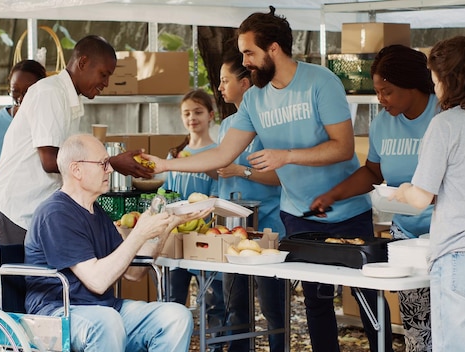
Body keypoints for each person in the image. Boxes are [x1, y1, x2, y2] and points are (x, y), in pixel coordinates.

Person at [143, 7, 393, 352]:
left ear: (273, 49)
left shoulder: (321, 82)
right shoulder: (256, 99)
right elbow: (221, 154)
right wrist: (166, 165)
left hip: (347, 209)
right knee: (316, 303)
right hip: (298, 215)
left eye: (249, 52)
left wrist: (286, 156)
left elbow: (342, 147)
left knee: (368, 299)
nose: (245, 61)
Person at [0, 35, 153, 351]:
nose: (106, 83)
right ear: (82, 63)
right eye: (103, 74)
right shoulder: (49, 92)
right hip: (5, 212)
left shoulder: (71, 101)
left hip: (31, 216)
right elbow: (50, 159)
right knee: (6, 317)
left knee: (31, 322)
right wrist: (111, 162)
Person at [25, 134, 211, 351]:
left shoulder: (97, 212)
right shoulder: (56, 213)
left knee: (176, 316)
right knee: (107, 322)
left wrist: (170, 225)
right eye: (103, 163)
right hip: (59, 312)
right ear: (77, 170)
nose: (110, 170)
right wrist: (139, 233)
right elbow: (97, 281)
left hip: (104, 310)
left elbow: (134, 272)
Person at [311, 44, 437, 352]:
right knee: (417, 329)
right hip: (405, 238)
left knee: (451, 325)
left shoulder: (444, 115)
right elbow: (372, 173)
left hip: (446, 236)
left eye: (388, 91)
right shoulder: (382, 123)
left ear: (412, 84)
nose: (381, 99)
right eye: (378, 92)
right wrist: (333, 194)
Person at [392, 36, 465, 352]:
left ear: (450, 80)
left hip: (459, 253)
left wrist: (404, 190)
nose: (435, 89)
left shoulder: (446, 124)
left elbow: (421, 197)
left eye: (435, 81)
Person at [216, 50, 287, 352]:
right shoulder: (225, 125)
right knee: (236, 305)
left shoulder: (271, 125)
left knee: (273, 308)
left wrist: (241, 170)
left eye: (224, 80)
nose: (219, 87)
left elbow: (282, 177)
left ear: (245, 83)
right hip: (229, 229)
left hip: (267, 228)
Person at [161, 89, 225, 352]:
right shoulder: (174, 155)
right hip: (177, 236)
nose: (192, 118)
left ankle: (214, 347)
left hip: (206, 238)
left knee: (213, 300)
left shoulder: (219, 153)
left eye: (198, 112)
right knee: (173, 299)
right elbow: (166, 194)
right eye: (186, 113)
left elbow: (218, 194)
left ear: (211, 115)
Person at [0, 59, 46, 180]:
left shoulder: (49, 121)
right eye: (15, 91)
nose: (21, 98)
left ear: (42, 89)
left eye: (28, 91)